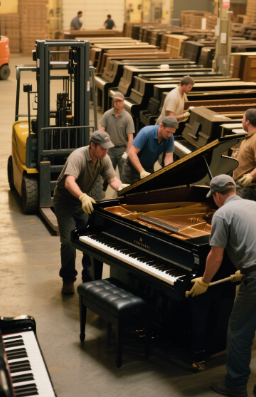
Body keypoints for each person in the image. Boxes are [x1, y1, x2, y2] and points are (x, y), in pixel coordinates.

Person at [187, 174, 256, 397]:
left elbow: (216, 257)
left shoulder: (222, 213)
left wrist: (205, 281)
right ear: (233, 189)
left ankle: (235, 384)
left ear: (217, 195)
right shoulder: (255, 205)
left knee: (238, 332)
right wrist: (243, 269)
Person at [53, 131, 127, 295]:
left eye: (107, 148)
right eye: (102, 148)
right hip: (65, 202)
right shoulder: (78, 157)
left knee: (90, 239)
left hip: (83, 203)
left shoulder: (103, 159)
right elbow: (69, 182)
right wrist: (83, 196)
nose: (106, 151)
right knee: (68, 241)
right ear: (92, 145)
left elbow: (112, 180)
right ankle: (68, 279)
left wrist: (123, 188)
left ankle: (89, 279)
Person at [121, 116, 177, 185]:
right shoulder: (146, 132)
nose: (169, 135)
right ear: (161, 126)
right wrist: (142, 171)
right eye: (168, 132)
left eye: (172, 133)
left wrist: (168, 171)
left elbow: (168, 157)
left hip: (148, 167)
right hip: (132, 168)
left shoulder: (170, 137)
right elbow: (131, 153)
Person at [232, 109, 256, 202]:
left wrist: (250, 176)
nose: (242, 121)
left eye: (243, 118)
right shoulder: (250, 136)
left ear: (248, 121)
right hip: (240, 185)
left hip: (247, 188)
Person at [99, 92, 135, 190]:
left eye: (120, 101)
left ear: (123, 102)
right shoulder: (107, 115)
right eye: (116, 101)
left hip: (122, 150)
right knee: (105, 175)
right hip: (109, 150)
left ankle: (123, 194)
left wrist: (127, 152)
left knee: (124, 175)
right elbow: (101, 131)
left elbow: (130, 138)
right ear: (112, 102)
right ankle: (101, 193)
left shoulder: (128, 117)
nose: (118, 103)